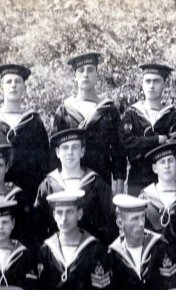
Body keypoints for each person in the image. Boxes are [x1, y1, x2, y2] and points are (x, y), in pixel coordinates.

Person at [0, 63, 49, 203]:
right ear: (1, 87)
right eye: (9, 81)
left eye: (18, 81)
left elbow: (44, 163)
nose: (13, 85)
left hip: (29, 195)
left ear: (24, 88)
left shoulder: (34, 121)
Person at [53, 52, 126, 192]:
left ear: (97, 74)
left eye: (90, 70)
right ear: (75, 76)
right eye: (81, 71)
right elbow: (54, 153)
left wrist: (119, 188)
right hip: (71, 184)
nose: (85, 74)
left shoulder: (109, 109)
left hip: (102, 180)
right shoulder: (64, 110)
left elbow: (119, 151)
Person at [107, 194, 176, 290]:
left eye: (142, 217)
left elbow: (173, 285)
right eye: (134, 219)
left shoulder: (160, 247)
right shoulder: (112, 254)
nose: (141, 223)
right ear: (120, 223)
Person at [34, 128, 115, 245]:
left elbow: (110, 222)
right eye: (65, 148)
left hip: (90, 251)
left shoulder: (96, 183)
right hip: (56, 255)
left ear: (82, 152)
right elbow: (38, 226)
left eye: (75, 147)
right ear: (57, 152)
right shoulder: (48, 185)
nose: (70, 152)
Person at [119, 63, 176, 197]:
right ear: (142, 84)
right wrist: (158, 139)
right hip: (137, 178)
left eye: (156, 81)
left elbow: (175, 147)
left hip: (165, 181)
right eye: (147, 81)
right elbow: (126, 143)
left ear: (164, 84)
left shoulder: (172, 115)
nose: (151, 85)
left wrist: (141, 144)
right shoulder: (132, 114)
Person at [138, 142, 176, 253]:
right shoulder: (145, 197)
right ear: (155, 168)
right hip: (153, 258)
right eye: (162, 162)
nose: (167, 166)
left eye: (170, 161)